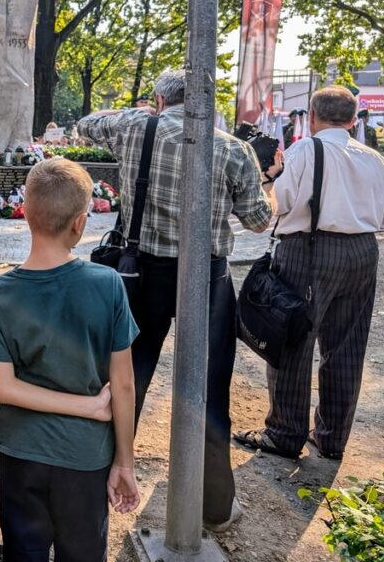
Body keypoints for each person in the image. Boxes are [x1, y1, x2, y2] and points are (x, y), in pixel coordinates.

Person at [78, 69, 273, 531]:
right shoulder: (232, 147)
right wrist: (270, 177)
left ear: (160, 100)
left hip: (139, 272)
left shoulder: (134, 126)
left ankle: (93, 489)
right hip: (206, 277)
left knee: (127, 378)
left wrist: (144, 114)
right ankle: (214, 505)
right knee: (209, 389)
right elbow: (260, 221)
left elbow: (85, 123)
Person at [234, 87, 384, 461]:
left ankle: (285, 432)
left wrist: (269, 179)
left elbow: (278, 208)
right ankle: (331, 438)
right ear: (352, 119)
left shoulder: (304, 151)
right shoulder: (374, 159)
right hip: (363, 251)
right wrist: (357, 214)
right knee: (347, 347)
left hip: (309, 250)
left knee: (293, 340)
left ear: (311, 117)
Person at [0, 158, 139, 561]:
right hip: (84, 460)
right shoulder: (108, 285)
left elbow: (4, 388)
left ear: (25, 213)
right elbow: (122, 385)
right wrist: (124, 461)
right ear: (80, 223)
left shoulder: (1, 292)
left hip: (21, 455)